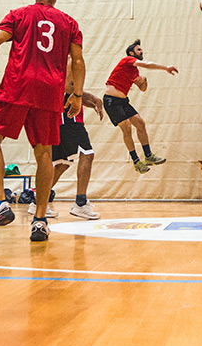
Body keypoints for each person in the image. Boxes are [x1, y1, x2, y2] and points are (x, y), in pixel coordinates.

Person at [0, 0, 83, 242]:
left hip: (17, 86)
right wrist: (76, 94)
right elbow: (77, 61)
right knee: (44, 152)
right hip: (50, 92)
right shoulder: (69, 23)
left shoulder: (17, 15)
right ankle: (39, 221)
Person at [27, 61, 104, 220]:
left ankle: (37, 201)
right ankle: (80, 203)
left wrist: (92, 100)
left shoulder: (62, 61)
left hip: (65, 116)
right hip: (68, 116)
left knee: (62, 163)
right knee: (87, 153)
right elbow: (68, 90)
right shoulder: (70, 61)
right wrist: (90, 97)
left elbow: (73, 91)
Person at [102, 39, 177, 173]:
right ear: (131, 53)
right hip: (111, 101)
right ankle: (136, 162)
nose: (141, 51)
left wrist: (144, 81)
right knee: (127, 128)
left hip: (124, 101)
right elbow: (147, 65)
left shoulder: (134, 71)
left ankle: (148, 156)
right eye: (139, 50)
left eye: (141, 50)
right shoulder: (127, 60)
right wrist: (165, 68)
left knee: (140, 123)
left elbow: (142, 88)